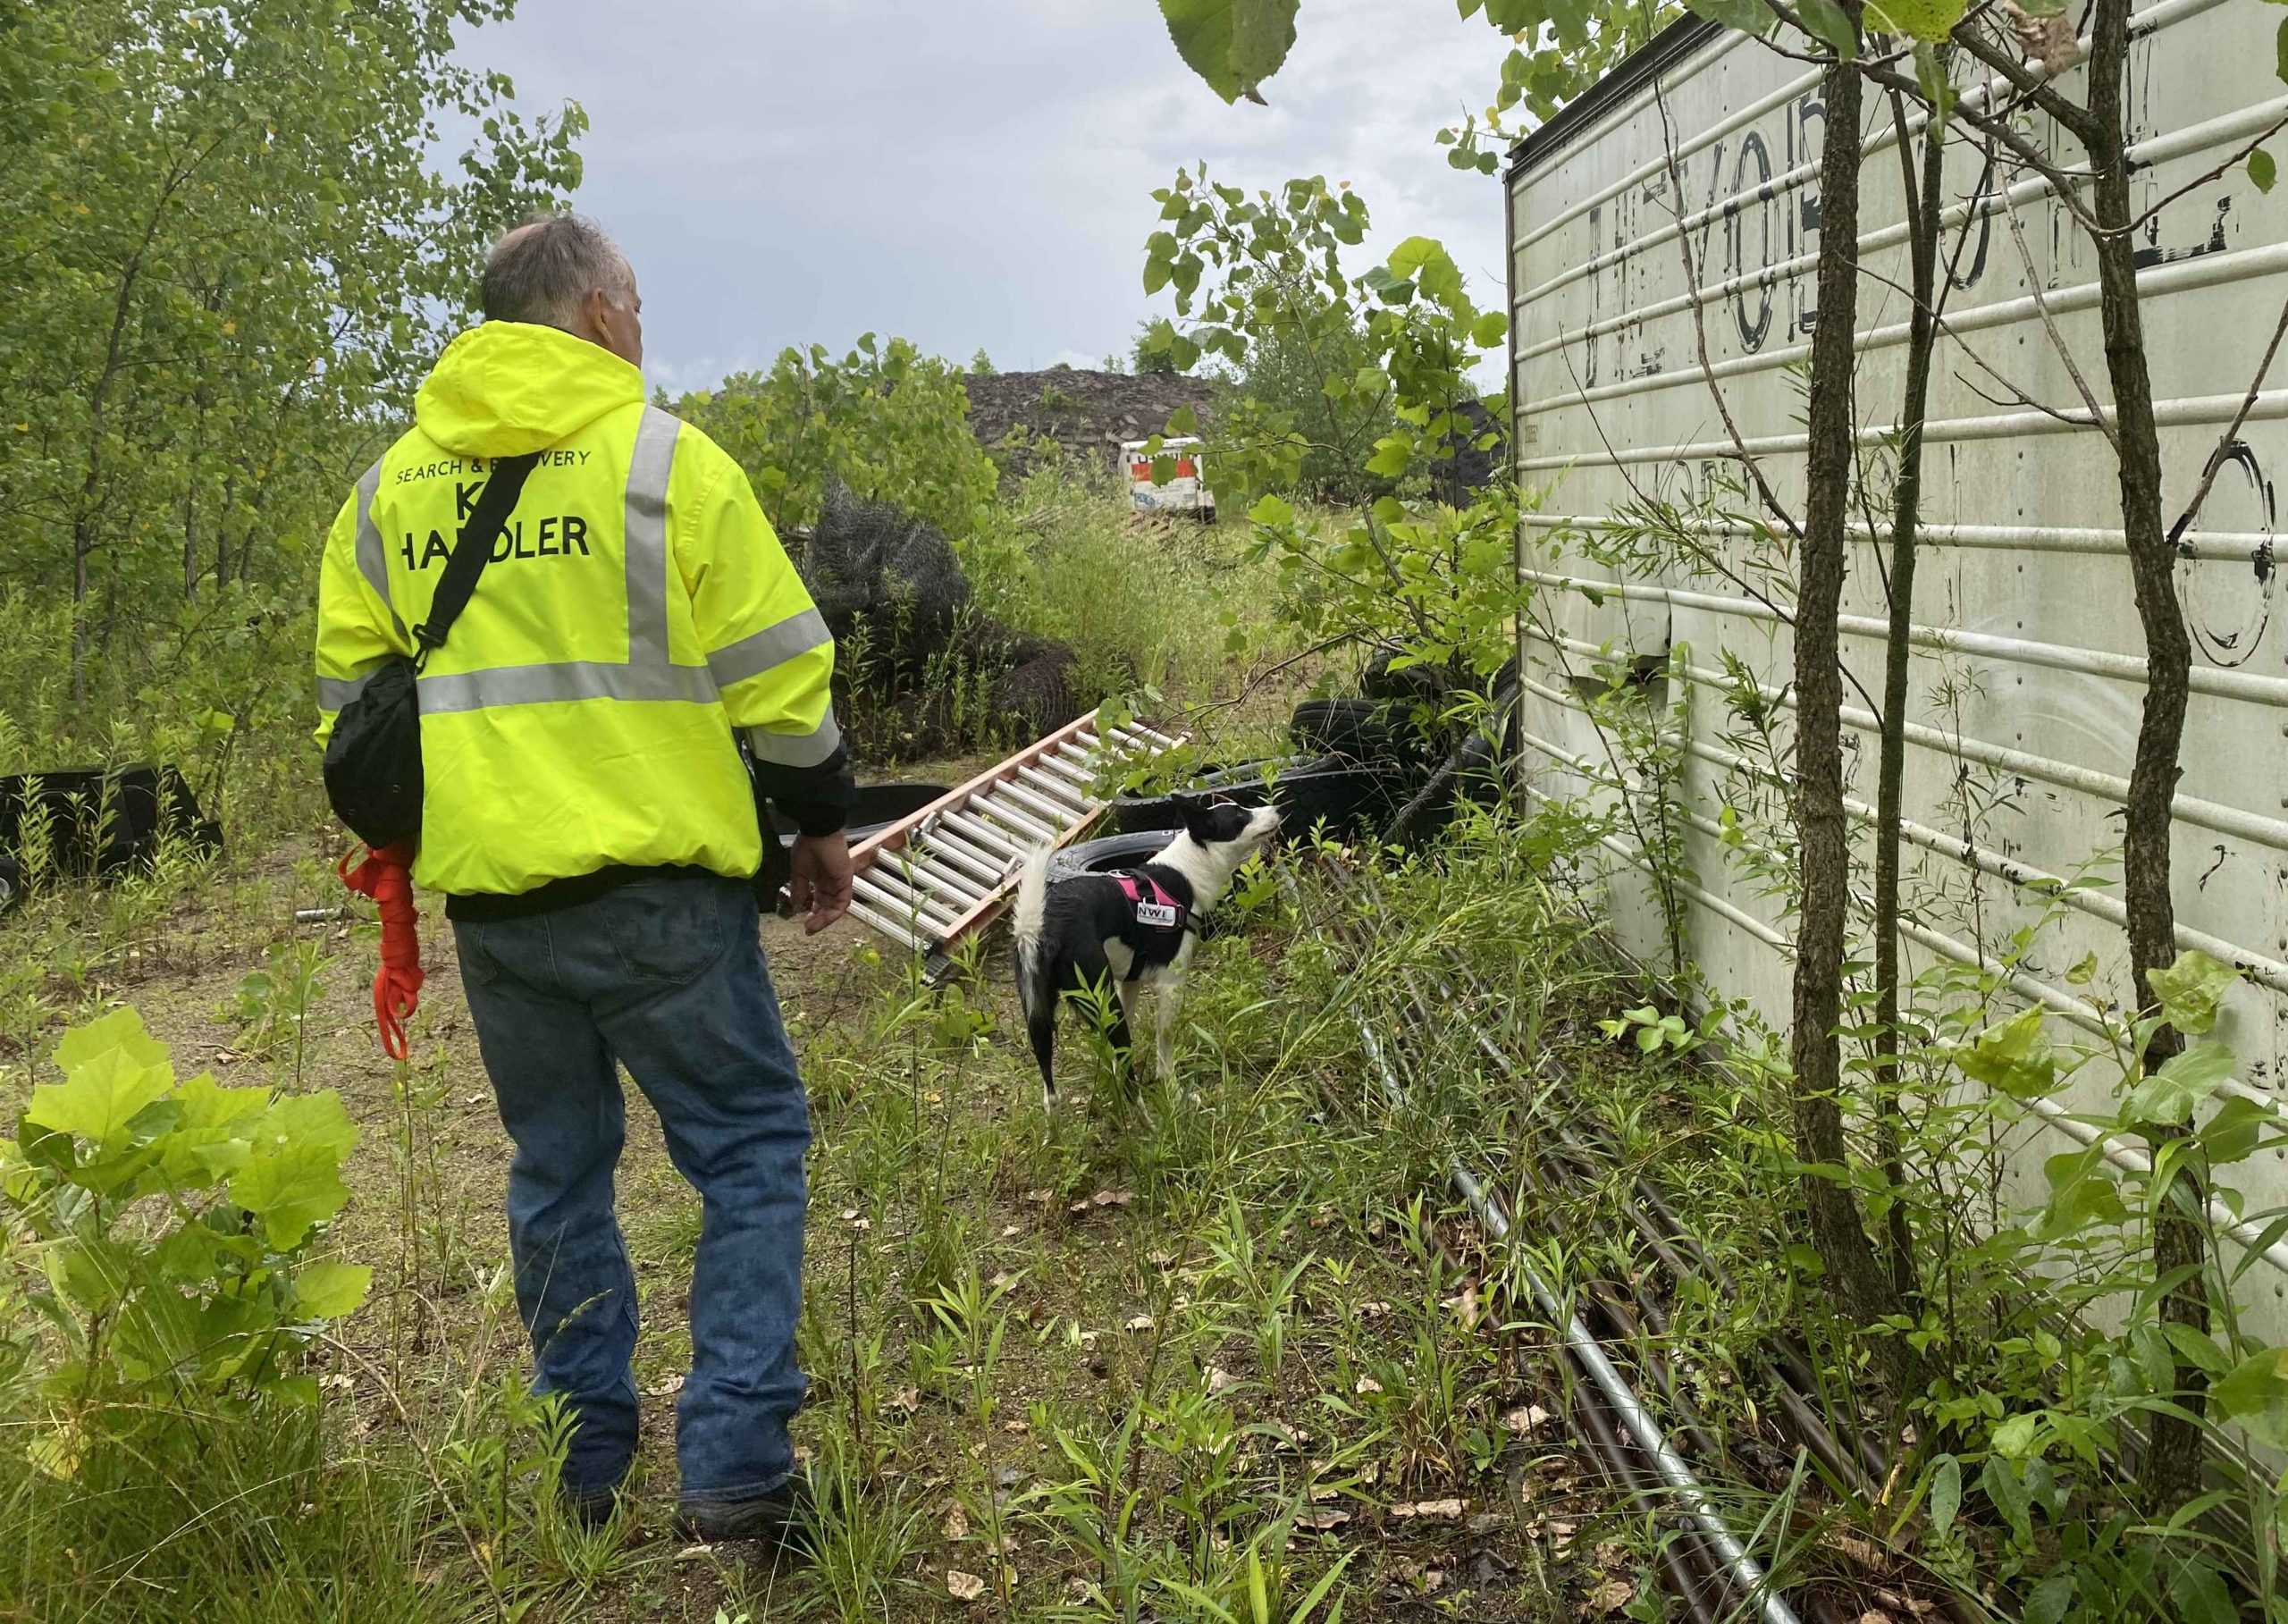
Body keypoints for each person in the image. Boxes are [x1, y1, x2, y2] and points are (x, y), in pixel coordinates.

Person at [313, 213, 854, 1547]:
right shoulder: (666, 465)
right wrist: (817, 818)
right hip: (664, 902)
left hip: (499, 915)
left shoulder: (389, 492)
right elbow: (785, 684)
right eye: (640, 305)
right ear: (601, 313)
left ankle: (586, 1467)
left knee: (558, 1172)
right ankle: (733, 1464)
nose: (642, 327)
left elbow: (352, 711)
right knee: (748, 1148)